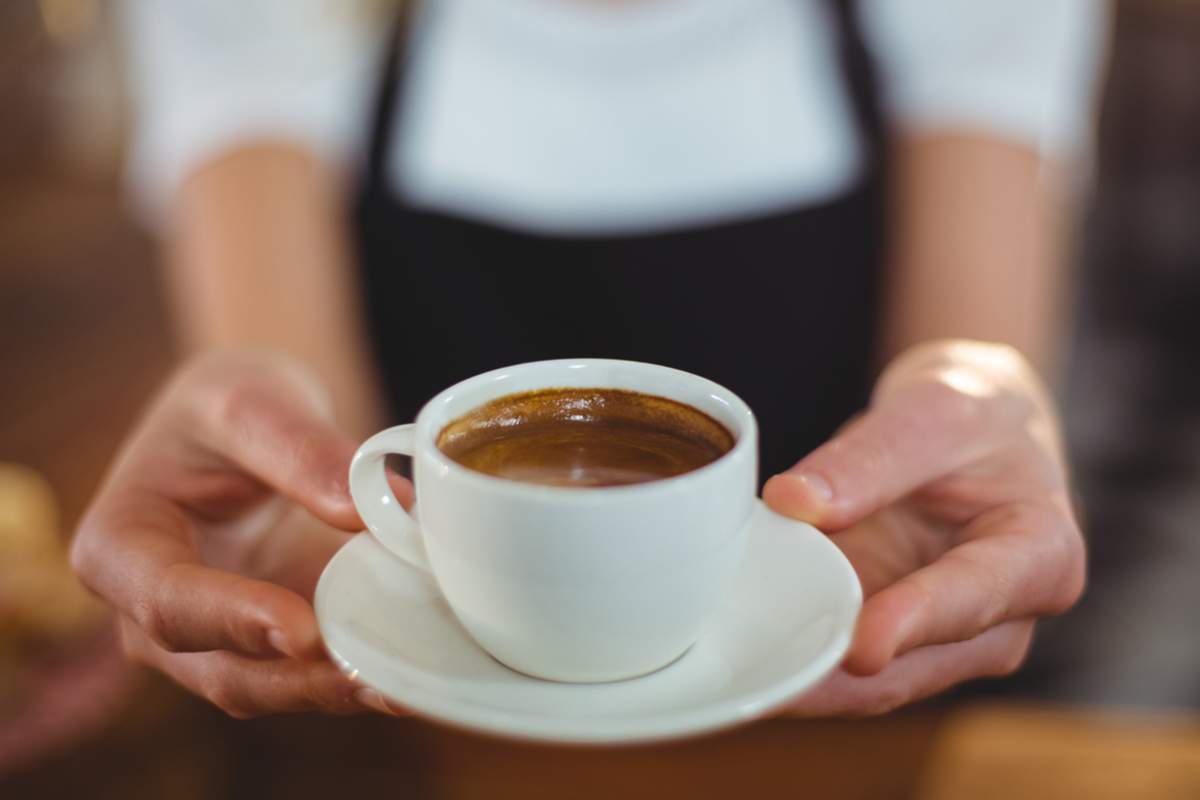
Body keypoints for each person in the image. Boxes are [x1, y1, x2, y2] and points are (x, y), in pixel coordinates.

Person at [71, 0, 1108, 719]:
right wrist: (278, 489)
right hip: (423, 740)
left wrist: (986, 394)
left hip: (854, 722)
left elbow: (964, 366)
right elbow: (308, 467)